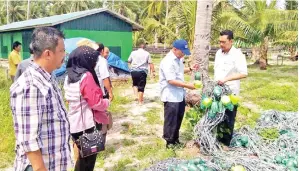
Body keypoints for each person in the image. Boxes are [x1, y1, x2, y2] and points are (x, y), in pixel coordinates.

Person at [10, 27, 72, 171]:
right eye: (62, 50)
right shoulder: (30, 86)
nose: (65, 54)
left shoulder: (49, 77)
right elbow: (29, 140)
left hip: (53, 164)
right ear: (48, 53)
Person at [64, 46, 110, 171]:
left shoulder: (69, 76)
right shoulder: (86, 76)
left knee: (82, 158)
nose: (94, 63)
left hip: (74, 123)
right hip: (88, 125)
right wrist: (106, 102)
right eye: (93, 60)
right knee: (87, 162)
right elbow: (95, 103)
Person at [159, 39, 196, 148]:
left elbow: (178, 72)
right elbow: (171, 80)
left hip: (179, 94)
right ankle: (169, 143)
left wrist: (189, 69)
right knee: (171, 120)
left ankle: (175, 139)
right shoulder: (168, 61)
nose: (183, 54)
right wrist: (188, 85)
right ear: (175, 49)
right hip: (171, 95)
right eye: (182, 52)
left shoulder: (178, 59)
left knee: (178, 118)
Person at [214, 30, 248, 147]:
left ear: (231, 41)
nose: (221, 44)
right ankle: (216, 140)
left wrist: (226, 79)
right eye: (220, 42)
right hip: (217, 91)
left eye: (223, 42)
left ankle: (225, 144)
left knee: (228, 117)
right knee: (217, 115)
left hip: (230, 92)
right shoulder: (218, 53)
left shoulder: (238, 55)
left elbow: (243, 73)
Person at [128, 39, 155, 104]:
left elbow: (129, 61)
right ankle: (140, 102)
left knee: (135, 84)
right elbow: (150, 63)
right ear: (142, 45)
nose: (146, 45)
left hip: (133, 71)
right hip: (142, 72)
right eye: (145, 44)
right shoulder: (147, 53)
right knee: (141, 86)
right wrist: (153, 72)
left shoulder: (133, 53)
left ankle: (136, 97)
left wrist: (130, 68)